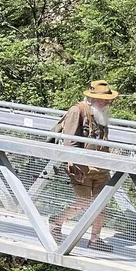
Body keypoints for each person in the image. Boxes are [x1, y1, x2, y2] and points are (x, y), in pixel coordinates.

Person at [48, 80, 119, 252]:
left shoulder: (101, 112)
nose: (106, 102)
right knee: (84, 202)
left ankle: (95, 240)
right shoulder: (77, 111)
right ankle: (56, 222)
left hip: (101, 166)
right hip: (82, 167)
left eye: (108, 99)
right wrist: (76, 166)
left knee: (102, 203)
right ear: (91, 98)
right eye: (102, 99)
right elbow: (70, 142)